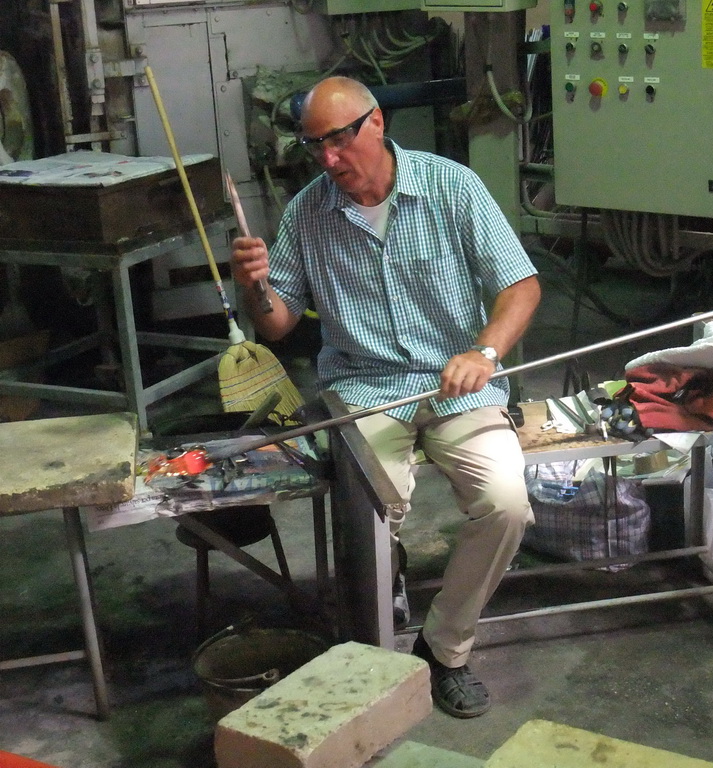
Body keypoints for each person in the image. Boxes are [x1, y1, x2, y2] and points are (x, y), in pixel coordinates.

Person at [230, 76, 540, 719]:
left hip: (458, 384)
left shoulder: (450, 186)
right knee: (370, 513)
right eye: (315, 146)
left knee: (507, 505)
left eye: (338, 141)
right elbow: (277, 323)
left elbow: (520, 286)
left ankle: (444, 649)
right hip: (364, 388)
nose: (327, 160)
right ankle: (374, 651)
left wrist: (483, 352)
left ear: (375, 124)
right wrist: (256, 288)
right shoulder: (307, 212)